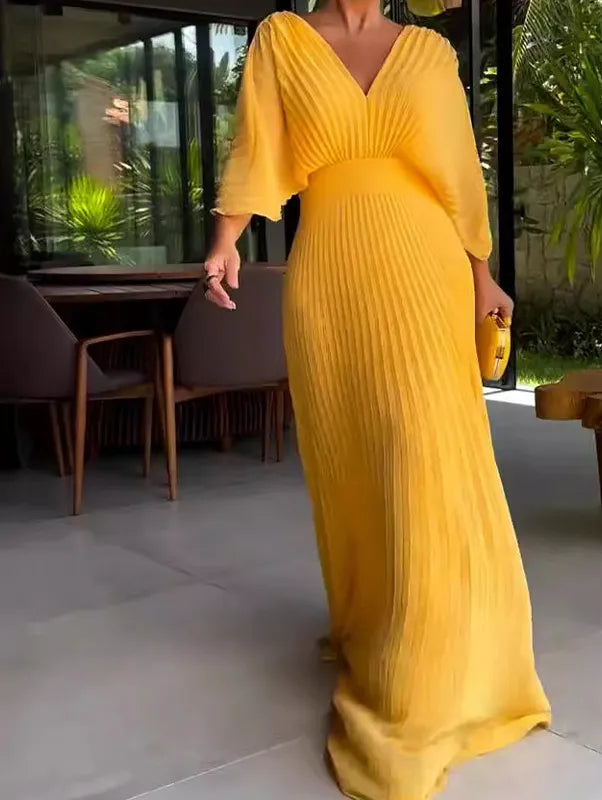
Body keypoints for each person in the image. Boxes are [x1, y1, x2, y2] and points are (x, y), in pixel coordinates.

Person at [205, 2, 551, 798]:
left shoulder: (427, 51)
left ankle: (433, 675)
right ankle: (378, 625)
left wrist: (482, 276)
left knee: (428, 460)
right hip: (329, 274)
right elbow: (257, 148)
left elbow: (458, 175)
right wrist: (225, 241)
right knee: (357, 466)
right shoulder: (283, 40)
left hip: (427, 270)